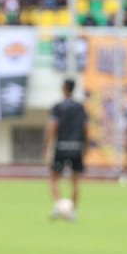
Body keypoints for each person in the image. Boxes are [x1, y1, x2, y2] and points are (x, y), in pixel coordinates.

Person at [45, 78, 88, 219]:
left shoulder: (58, 107)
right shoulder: (80, 107)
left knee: (53, 178)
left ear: (64, 88)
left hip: (61, 146)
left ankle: (58, 205)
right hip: (76, 146)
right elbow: (85, 127)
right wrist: (85, 145)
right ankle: (72, 211)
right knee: (75, 180)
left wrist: (46, 145)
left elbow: (53, 126)